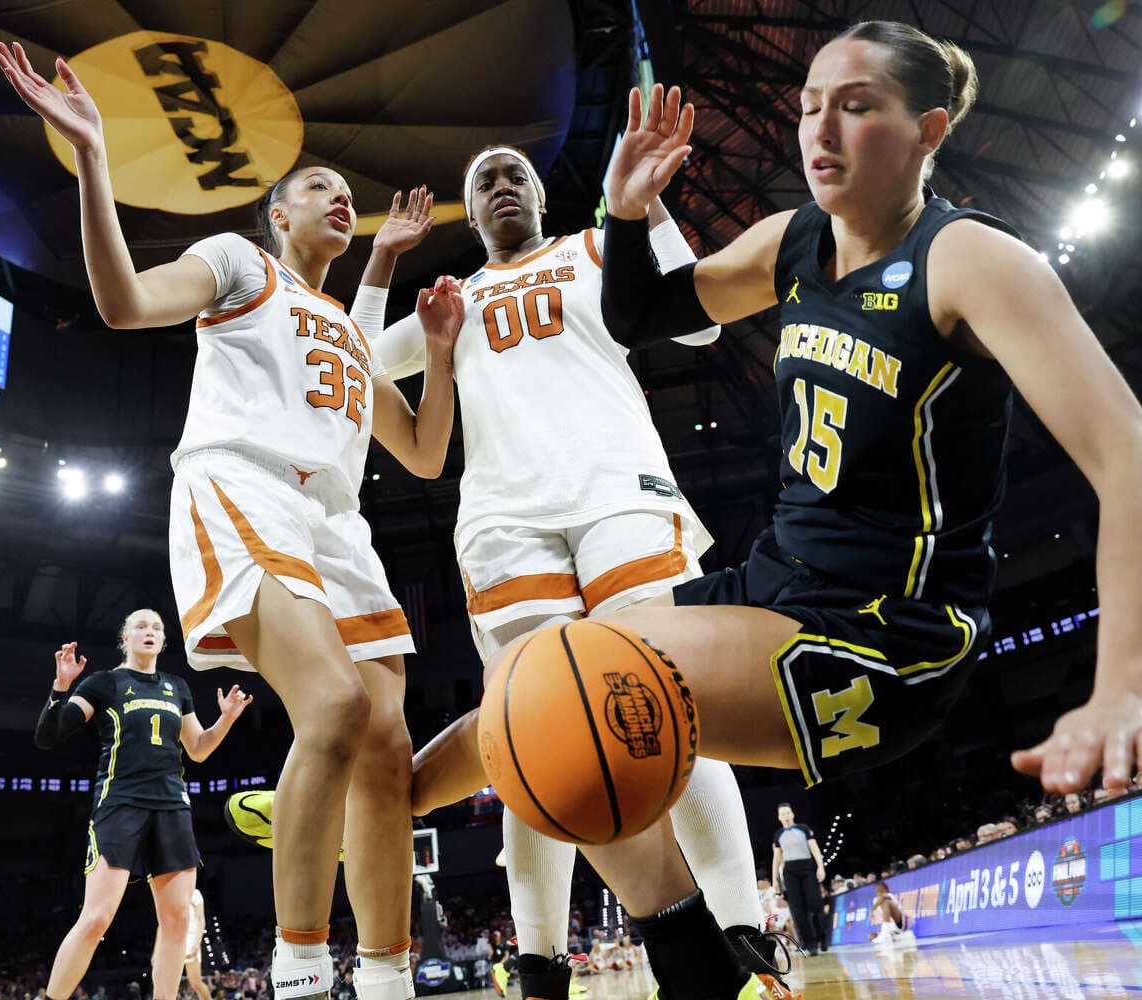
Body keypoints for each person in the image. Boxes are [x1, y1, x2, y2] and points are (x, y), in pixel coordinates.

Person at [481, 17, 1142, 998]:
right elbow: (644, 315)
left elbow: (1136, 464)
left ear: (929, 129)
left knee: (567, 695)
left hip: (887, 635)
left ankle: (693, 953)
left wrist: (1131, 683)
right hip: (778, 579)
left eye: (856, 107)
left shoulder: (975, 261)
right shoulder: (795, 240)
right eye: (811, 106)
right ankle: (703, 961)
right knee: (521, 693)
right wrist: (627, 212)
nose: (820, 129)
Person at [226, 145, 782, 998]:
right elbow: (349, 357)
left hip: (617, 494)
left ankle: (741, 936)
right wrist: (384, 262)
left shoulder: (597, 252)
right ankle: (539, 962)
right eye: (482, 180)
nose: (500, 186)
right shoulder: (455, 300)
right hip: (504, 522)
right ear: (471, 211)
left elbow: (699, 319)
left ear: (540, 196)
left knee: (658, 698)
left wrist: (649, 205)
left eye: (514, 175)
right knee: (540, 727)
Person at [0, 39, 463, 1000]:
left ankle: (385, 977)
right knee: (330, 704)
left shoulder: (344, 329)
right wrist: (93, 160)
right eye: (318, 186)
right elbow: (122, 303)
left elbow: (421, 453)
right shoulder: (238, 261)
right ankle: (297, 964)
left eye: (346, 190)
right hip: (241, 487)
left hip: (335, 522)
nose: (340, 197)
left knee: (385, 745)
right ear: (276, 211)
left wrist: (444, 351)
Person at [33, 611, 250, 1000]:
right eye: (141, 626)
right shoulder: (103, 683)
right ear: (125, 638)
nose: (149, 632)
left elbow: (198, 749)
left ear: (163, 641)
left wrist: (227, 720)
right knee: (96, 918)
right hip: (120, 804)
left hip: (172, 807)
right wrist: (60, 687)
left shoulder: (177, 686)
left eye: (156, 628)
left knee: (177, 920)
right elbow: (48, 737)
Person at [769, 804, 825, 954]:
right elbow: (777, 859)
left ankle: (822, 937)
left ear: (792, 814)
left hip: (807, 868)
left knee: (813, 904)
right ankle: (809, 944)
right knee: (797, 910)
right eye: (783, 814)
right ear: (779, 817)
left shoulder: (803, 829)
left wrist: (821, 866)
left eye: (788, 813)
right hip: (790, 872)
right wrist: (774, 880)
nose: (786, 816)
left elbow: (814, 848)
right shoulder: (778, 834)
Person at [184, 889, 211, 1000]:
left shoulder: (195, 893)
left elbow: (201, 919)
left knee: (195, 982)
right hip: (174, 940)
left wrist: (197, 942)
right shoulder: (172, 892)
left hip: (190, 940)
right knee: (168, 981)